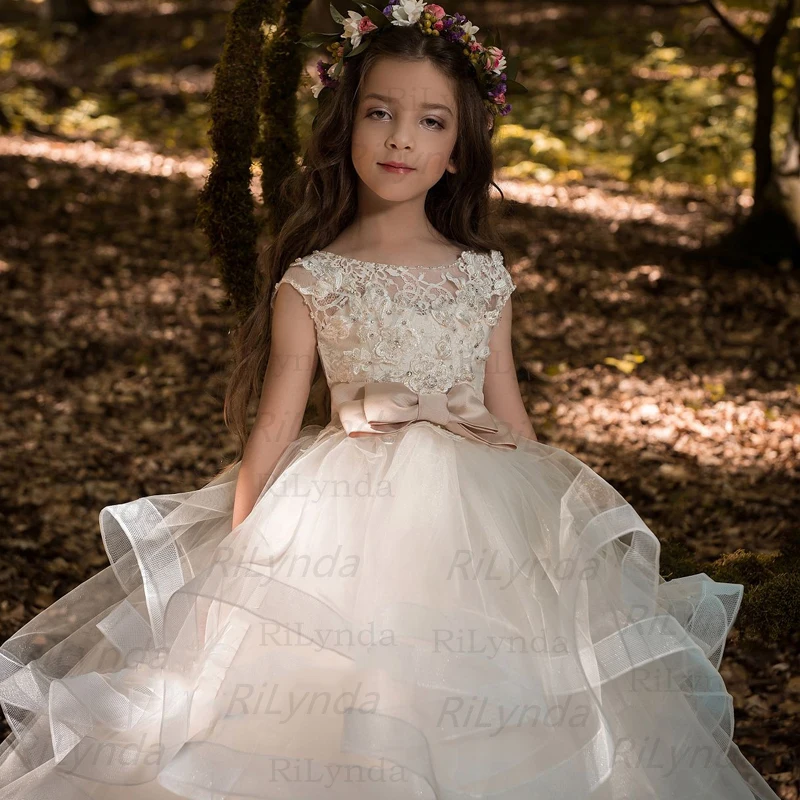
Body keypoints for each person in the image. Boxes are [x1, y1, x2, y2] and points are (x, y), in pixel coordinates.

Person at [0, 2, 782, 798]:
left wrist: (563, 543)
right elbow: (271, 431)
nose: (402, 138)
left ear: (458, 149)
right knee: (327, 696)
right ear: (345, 127)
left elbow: (511, 416)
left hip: (484, 511)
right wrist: (228, 577)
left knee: (493, 690)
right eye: (381, 112)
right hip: (340, 508)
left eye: (431, 121)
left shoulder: (483, 274)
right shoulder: (314, 278)